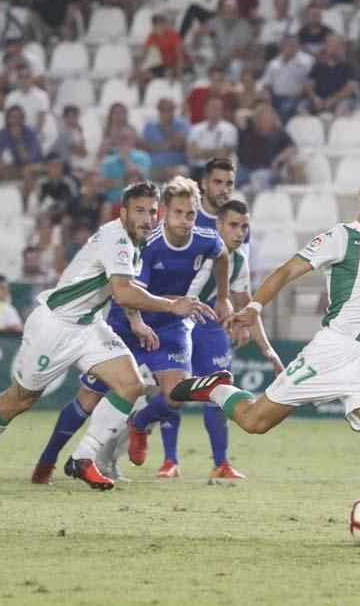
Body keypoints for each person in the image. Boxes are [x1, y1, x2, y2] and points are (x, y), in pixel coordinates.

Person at [170, 158, 360, 540]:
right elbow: (284, 271)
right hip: (332, 354)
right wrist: (253, 307)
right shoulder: (340, 237)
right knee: (254, 421)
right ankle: (215, 387)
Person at [0, 181, 215, 489]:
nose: (147, 218)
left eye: (151, 211)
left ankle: (83, 457)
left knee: (130, 385)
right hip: (55, 326)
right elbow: (122, 292)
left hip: (89, 325)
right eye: (139, 211)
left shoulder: (138, 242)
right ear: (123, 212)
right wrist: (173, 305)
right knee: (21, 399)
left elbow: (124, 286)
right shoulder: (117, 238)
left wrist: (135, 321)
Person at [30, 177, 229, 485]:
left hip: (171, 324)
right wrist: (138, 322)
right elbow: (129, 291)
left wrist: (225, 296)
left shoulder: (206, 239)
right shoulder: (148, 243)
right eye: (178, 213)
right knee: (88, 398)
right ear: (164, 212)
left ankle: (140, 422)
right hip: (127, 322)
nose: (185, 221)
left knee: (177, 393)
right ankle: (47, 460)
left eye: (190, 214)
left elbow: (222, 255)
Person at [177, 198, 284, 479]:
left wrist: (268, 350)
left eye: (245, 227)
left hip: (208, 327)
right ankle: (158, 449)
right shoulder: (197, 250)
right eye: (234, 226)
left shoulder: (239, 261)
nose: (240, 233)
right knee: (165, 397)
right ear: (218, 225)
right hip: (170, 324)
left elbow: (249, 308)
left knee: (219, 389)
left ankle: (221, 463)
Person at [0, 104, 44, 202]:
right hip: (16, 167)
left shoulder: (31, 134)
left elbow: (29, 160)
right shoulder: (4, 132)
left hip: (35, 166)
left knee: (26, 170)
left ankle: (29, 202)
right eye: (13, 117)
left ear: (23, 119)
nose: (16, 120)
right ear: (8, 119)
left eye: (19, 117)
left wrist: (18, 140)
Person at [235, 103, 296, 192]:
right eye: (261, 118)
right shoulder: (249, 129)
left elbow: (292, 147)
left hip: (268, 170)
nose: (263, 120)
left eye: (267, 117)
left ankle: (265, 204)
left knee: (258, 178)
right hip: (245, 168)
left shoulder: (279, 133)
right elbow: (239, 115)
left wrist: (280, 157)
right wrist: (256, 113)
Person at [261, 35, 315, 123]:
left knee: (286, 109)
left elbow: (311, 82)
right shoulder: (274, 63)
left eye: (294, 45)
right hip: (275, 98)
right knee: (262, 110)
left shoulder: (307, 61)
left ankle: (281, 132)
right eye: (288, 45)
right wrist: (267, 98)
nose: (291, 48)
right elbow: (266, 83)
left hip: (298, 99)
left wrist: (301, 95)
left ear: (298, 46)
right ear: (282, 46)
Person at [302, 35, 360, 116]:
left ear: (342, 48)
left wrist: (334, 99)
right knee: (302, 108)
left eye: (337, 46)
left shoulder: (349, 66)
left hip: (342, 100)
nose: (333, 49)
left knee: (342, 109)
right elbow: (309, 86)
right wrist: (315, 98)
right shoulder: (318, 66)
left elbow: (350, 88)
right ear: (325, 47)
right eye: (331, 46)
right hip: (321, 100)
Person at [187, 95, 239, 177]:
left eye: (218, 108)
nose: (214, 111)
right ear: (205, 109)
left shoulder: (229, 129)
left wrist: (200, 152)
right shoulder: (196, 128)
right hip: (198, 169)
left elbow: (222, 155)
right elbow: (191, 153)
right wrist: (213, 152)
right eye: (212, 108)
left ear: (222, 111)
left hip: (220, 169)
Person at [102, 125, 152, 202]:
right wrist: (126, 180)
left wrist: (126, 160)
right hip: (114, 202)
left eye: (126, 138)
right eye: (121, 139)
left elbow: (142, 177)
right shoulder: (108, 161)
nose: (124, 142)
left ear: (133, 139)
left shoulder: (143, 157)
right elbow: (105, 183)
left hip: (137, 201)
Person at [3, 63, 50, 134]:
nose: (24, 80)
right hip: (15, 135)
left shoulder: (42, 96)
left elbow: (40, 122)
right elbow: (8, 121)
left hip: (34, 135)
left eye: (27, 77)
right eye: (21, 77)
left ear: (32, 77)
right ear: (17, 79)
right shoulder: (10, 98)